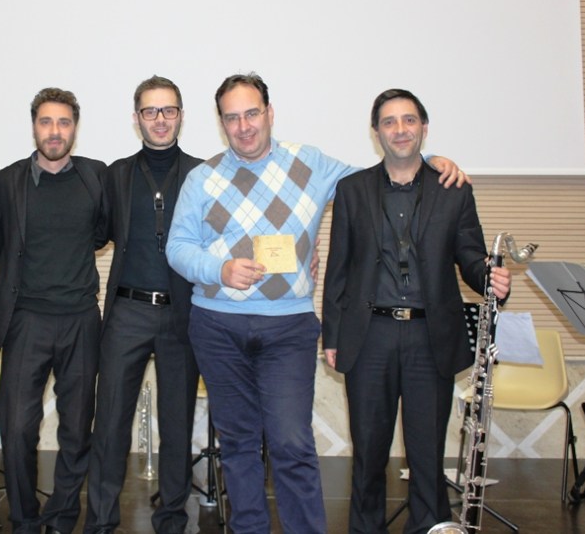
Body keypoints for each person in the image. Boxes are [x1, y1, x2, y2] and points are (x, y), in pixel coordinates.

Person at [165, 73, 467, 533]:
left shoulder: (310, 163)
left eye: (252, 113)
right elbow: (178, 247)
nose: (244, 126)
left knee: (291, 442)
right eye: (232, 117)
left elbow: (378, 180)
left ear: (270, 113)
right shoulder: (201, 179)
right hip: (218, 325)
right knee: (239, 443)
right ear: (221, 122)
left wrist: (430, 161)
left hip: (288, 327)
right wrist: (218, 269)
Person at [321, 88, 511, 534]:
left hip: (431, 338)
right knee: (368, 454)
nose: (400, 130)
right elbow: (338, 268)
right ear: (376, 133)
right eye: (389, 122)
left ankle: (429, 528)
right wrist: (332, 334)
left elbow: (470, 256)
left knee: (427, 456)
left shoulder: (454, 189)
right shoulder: (352, 190)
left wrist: (491, 279)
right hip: (369, 337)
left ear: (424, 128)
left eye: (409, 120)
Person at [83, 76, 201, 534]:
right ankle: (100, 521)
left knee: (177, 425)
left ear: (181, 115)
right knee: (110, 422)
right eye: (150, 111)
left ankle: (171, 519)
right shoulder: (115, 174)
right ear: (136, 118)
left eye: (168, 110)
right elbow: (92, 234)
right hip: (127, 313)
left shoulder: (203, 173)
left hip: (182, 314)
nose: (160, 119)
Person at [0, 87, 109, 534]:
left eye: (63, 122)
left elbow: (101, 233)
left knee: (77, 430)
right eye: (46, 121)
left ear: (75, 127)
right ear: (34, 127)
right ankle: (24, 518)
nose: (54, 131)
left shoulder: (95, 176)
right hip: (26, 320)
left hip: (81, 318)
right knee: (17, 426)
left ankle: (61, 516)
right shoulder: (8, 182)